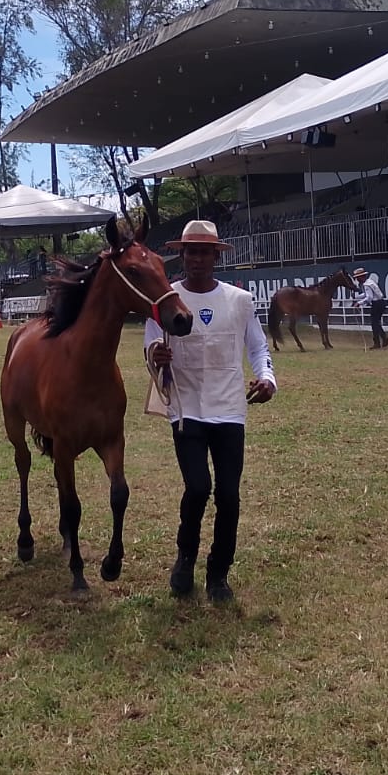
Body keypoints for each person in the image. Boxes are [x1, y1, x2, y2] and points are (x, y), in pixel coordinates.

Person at [144, 220, 276, 604]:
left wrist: (267, 378)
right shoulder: (166, 299)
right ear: (181, 255)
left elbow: (257, 348)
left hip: (230, 410)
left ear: (216, 256)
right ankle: (185, 558)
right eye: (191, 252)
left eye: (205, 252)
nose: (197, 259)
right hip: (186, 409)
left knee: (229, 495)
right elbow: (151, 346)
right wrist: (157, 355)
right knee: (198, 487)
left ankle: (219, 574)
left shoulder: (239, 300)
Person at [350, 267, 388, 349]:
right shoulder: (370, 282)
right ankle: (383, 339)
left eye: (358, 278)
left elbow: (369, 297)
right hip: (381, 303)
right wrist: (357, 297)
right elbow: (367, 294)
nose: (357, 280)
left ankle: (378, 342)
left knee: (374, 324)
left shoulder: (366, 285)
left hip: (376, 304)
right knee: (376, 323)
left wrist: (359, 303)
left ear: (361, 277)